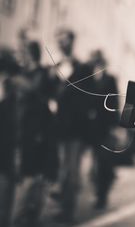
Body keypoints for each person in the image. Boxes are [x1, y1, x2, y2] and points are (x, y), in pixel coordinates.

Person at [13, 41, 59, 227]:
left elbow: (41, 96)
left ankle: (28, 214)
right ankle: (27, 213)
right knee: (28, 173)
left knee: (35, 173)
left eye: (22, 52)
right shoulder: (24, 74)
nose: (20, 56)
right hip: (24, 130)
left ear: (30, 54)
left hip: (39, 130)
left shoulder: (41, 74)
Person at [52, 28, 94, 222]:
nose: (61, 43)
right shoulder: (56, 66)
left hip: (75, 130)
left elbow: (89, 99)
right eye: (58, 40)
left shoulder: (83, 67)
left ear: (71, 42)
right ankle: (62, 207)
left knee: (71, 171)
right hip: (57, 128)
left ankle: (68, 211)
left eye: (64, 39)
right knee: (61, 170)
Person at [86, 49, 119, 209]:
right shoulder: (89, 79)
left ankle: (102, 195)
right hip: (92, 129)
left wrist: (115, 126)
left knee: (104, 162)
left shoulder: (110, 79)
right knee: (96, 163)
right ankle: (99, 190)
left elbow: (114, 103)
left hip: (106, 127)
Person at [0, 47, 20, 227]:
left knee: (7, 178)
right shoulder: (12, 85)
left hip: (9, 139)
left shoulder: (12, 85)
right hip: (9, 139)